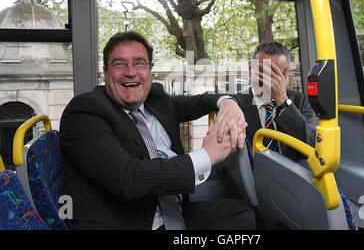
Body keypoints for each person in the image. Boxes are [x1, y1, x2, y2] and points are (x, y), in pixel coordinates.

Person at [59, 31, 255, 230]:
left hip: (174, 209)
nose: (130, 71)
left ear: (150, 70)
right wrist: (207, 155)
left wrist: (228, 103)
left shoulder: (155, 98)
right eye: (119, 64)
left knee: (239, 213)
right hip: (131, 221)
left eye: (139, 63)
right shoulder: (85, 111)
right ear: (105, 72)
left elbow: (201, 101)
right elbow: (129, 179)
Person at [217, 41, 317, 201]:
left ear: (285, 74)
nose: (267, 80)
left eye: (274, 74)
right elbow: (226, 163)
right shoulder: (235, 105)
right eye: (262, 72)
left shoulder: (299, 102)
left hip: (293, 185)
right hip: (252, 188)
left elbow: (311, 145)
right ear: (251, 69)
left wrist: (283, 102)